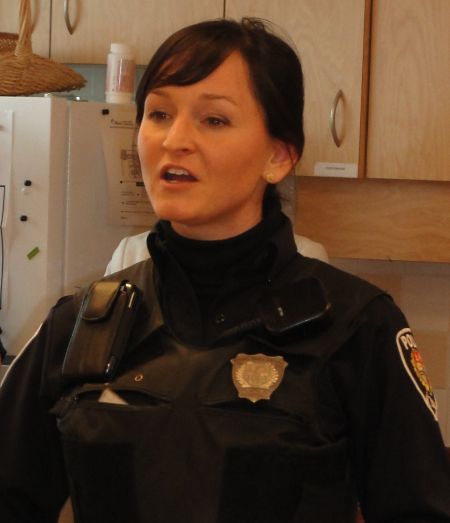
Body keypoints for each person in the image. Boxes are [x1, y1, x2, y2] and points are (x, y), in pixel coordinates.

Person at [0, 17, 449, 523]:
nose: (175, 140)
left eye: (213, 120)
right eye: (159, 114)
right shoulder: (80, 326)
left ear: (279, 156)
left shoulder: (357, 327)